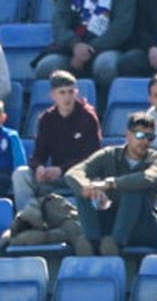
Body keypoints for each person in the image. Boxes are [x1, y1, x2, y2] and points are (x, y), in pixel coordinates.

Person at [64, 112, 157, 257]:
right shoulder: (109, 155)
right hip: (111, 221)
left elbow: (151, 177)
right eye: (139, 136)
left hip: (142, 227)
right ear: (128, 135)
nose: (144, 141)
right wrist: (89, 188)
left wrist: (110, 183)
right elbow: (73, 173)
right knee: (84, 191)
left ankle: (115, 244)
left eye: (149, 137)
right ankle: (92, 242)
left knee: (133, 189)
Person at [37, 0, 135, 90]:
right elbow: (60, 23)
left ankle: (102, 110)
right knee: (46, 66)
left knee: (106, 66)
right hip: (73, 48)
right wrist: (75, 45)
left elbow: (122, 28)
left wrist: (89, 49)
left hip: (108, 47)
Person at [13, 70, 102, 212]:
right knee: (21, 174)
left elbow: (92, 157)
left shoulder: (87, 117)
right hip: (55, 176)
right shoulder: (47, 119)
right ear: (53, 95)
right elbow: (39, 154)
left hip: (79, 175)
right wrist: (39, 167)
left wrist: (62, 169)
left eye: (71, 92)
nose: (67, 97)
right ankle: (27, 217)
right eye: (62, 92)